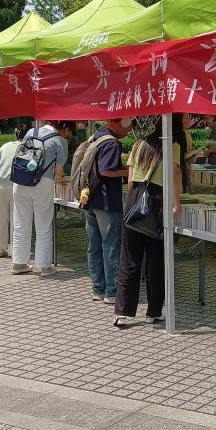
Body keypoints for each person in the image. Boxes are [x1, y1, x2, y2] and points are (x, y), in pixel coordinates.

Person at [113, 116, 188, 327]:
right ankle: (153, 311)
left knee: (129, 259)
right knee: (156, 260)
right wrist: (177, 205)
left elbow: (130, 180)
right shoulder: (172, 145)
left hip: (134, 200)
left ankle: (121, 312)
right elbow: (174, 176)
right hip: (156, 201)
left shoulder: (138, 144)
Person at [12, 120, 74, 277]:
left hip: (20, 179)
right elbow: (58, 173)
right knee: (43, 224)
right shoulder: (60, 141)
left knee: (20, 222)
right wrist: (62, 180)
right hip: (42, 182)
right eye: (69, 132)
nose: (68, 135)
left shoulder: (31, 132)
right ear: (65, 128)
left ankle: (19, 263)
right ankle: (45, 267)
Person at [85, 118, 133, 304]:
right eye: (128, 129)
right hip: (107, 201)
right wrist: (128, 172)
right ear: (120, 123)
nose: (127, 133)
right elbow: (105, 170)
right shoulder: (112, 143)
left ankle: (97, 288)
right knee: (111, 246)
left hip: (90, 198)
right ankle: (112, 292)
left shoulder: (95, 137)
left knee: (94, 245)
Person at [0, 125, 27, 258]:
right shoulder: (25, 148)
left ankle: (0, 249)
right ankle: (15, 250)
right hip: (16, 186)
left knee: (0, 218)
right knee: (15, 219)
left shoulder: (4, 146)